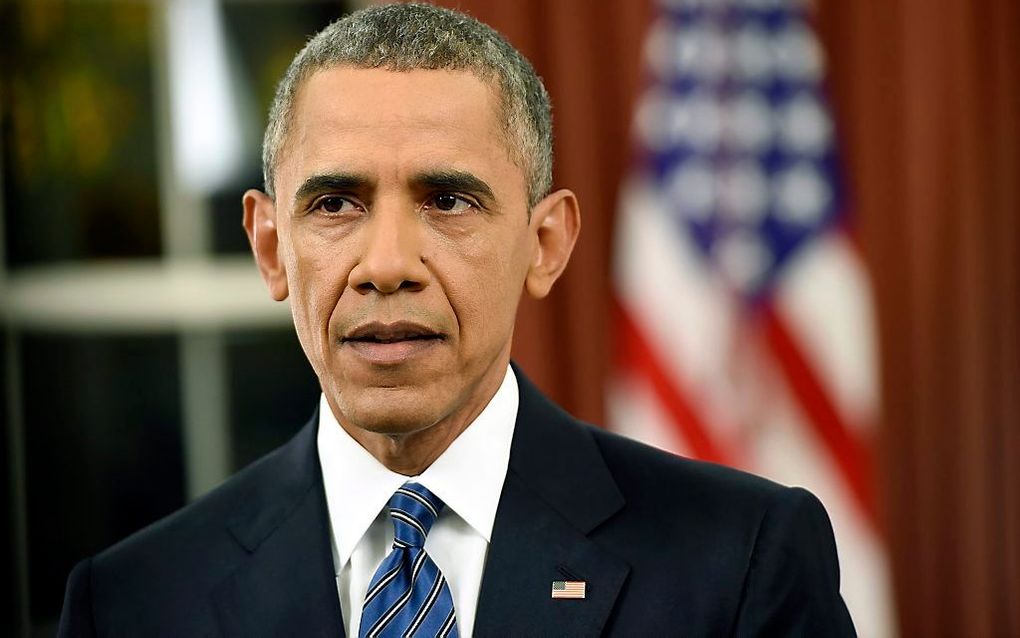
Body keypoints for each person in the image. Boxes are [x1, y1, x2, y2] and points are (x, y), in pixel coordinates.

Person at [58, 3, 856, 636]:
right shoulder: (130, 604)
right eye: (336, 203)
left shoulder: (743, 560)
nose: (387, 264)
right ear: (271, 247)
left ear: (545, 244)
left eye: (447, 201)